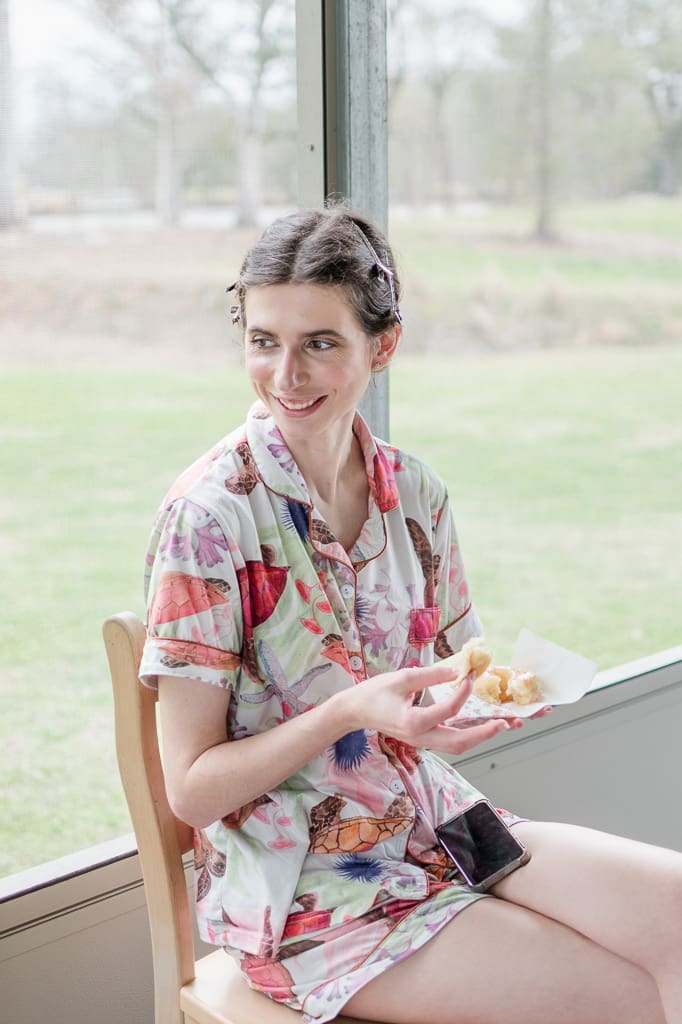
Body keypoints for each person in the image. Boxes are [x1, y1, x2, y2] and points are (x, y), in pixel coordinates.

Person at [140, 206, 682, 1024]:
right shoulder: (211, 518)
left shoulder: (415, 494)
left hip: (439, 823)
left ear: (381, 347)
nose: (285, 373)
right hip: (304, 892)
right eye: (264, 341)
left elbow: (450, 670)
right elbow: (189, 789)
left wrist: (458, 708)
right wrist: (350, 711)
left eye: (319, 343)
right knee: (628, 996)